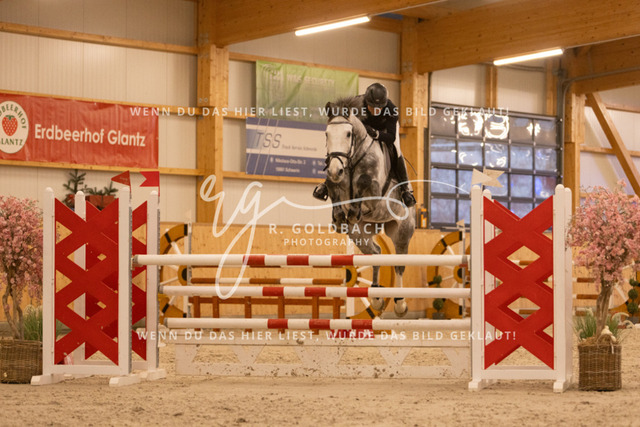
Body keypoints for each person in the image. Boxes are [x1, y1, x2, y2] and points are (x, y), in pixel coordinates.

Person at [313, 83, 416, 207]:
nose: (376, 110)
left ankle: (405, 189)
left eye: (380, 107)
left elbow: (391, 137)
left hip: (384, 132)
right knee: (342, 148)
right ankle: (326, 184)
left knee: (396, 150)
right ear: (366, 102)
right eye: (372, 107)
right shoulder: (358, 103)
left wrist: (376, 134)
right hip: (363, 131)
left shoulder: (391, 110)